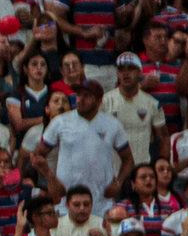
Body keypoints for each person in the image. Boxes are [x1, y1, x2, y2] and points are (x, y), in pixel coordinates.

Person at [34, 80, 133, 215]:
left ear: (99, 101)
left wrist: (119, 183)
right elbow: (36, 155)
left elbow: (128, 159)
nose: (80, 99)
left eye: (86, 96)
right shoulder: (60, 122)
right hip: (66, 205)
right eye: (78, 95)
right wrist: (51, 179)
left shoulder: (112, 124)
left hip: (102, 206)